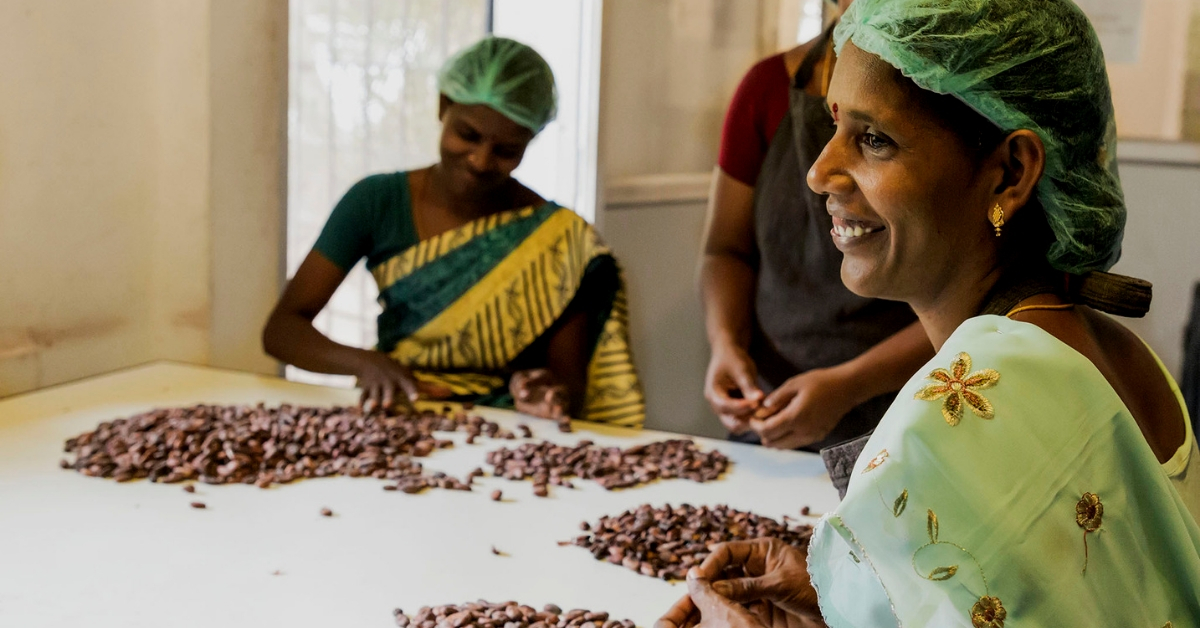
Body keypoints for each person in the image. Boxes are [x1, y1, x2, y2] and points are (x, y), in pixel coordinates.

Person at [659, 0, 1200, 625]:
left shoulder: (953, 419)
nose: (818, 172)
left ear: (1011, 173)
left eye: (873, 140)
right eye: (833, 124)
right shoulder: (1110, 347)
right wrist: (849, 603)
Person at [263, 37, 645, 427]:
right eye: (468, 135)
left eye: (506, 150)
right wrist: (366, 362)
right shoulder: (375, 202)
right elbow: (282, 331)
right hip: (399, 414)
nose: (480, 161)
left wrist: (547, 393)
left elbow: (571, 387)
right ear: (443, 105)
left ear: (530, 141)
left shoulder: (560, 239)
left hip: (510, 432)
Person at [701, 0, 933, 464]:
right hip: (771, 410)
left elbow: (982, 287)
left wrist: (851, 384)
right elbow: (726, 250)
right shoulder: (766, 89)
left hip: (911, 417)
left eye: (874, 138)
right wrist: (726, 345)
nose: (820, 175)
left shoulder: (943, 91)